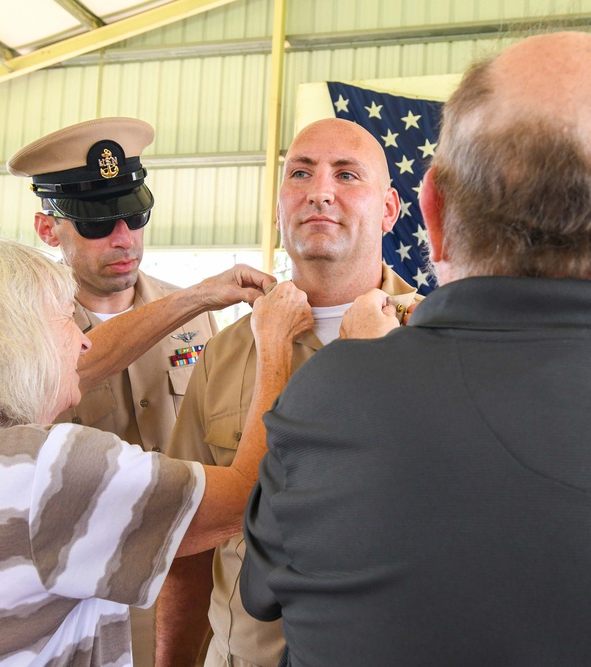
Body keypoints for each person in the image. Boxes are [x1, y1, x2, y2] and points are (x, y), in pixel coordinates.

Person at [240, 32, 591, 666]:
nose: (321, 192)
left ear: (431, 210)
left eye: (346, 175)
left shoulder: (336, 392)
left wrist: (354, 374)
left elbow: (261, 592)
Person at [0, 237, 313, 666]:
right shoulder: (46, 472)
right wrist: (272, 347)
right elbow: (241, 498)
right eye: (62, 318)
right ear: (8, 343)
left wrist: (196, 297)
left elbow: (73, 372)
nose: (84, 339)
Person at [156, 118, 421, 667]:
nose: (320, 190)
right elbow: (187, 540)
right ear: (280, 204)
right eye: (301, 173)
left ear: (391, 209)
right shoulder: (225, 353)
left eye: (347, 175)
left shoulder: (440, 340)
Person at [8, 117, 268, 662]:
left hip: (181, 581)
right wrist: (192, 299)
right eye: (98, 222)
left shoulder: (200, 319)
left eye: (133, 214)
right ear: (46, 227)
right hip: (69, 598)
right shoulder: (19, 332)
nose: (123, 237)